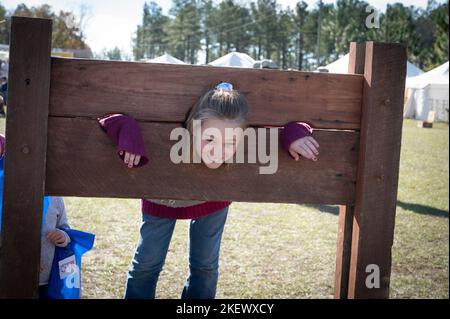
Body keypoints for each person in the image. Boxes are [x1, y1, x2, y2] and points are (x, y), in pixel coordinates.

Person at [97, 82, 320, 299]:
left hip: (214, 200)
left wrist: (294, 132)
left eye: (231, 142)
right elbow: (103, 116)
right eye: (210, 138)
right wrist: (125, 128)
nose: (218, 151)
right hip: (161, 198)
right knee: (146, 264)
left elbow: (287, 124)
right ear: (193, 129)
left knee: (205, 267)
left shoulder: (247, 136)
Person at [0, 134, 71, 299]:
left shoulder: (54, 198)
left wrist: (63, 237)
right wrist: (23, 259)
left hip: (45, 279)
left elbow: (65, 227)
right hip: (8, 276)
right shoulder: (5, 197)